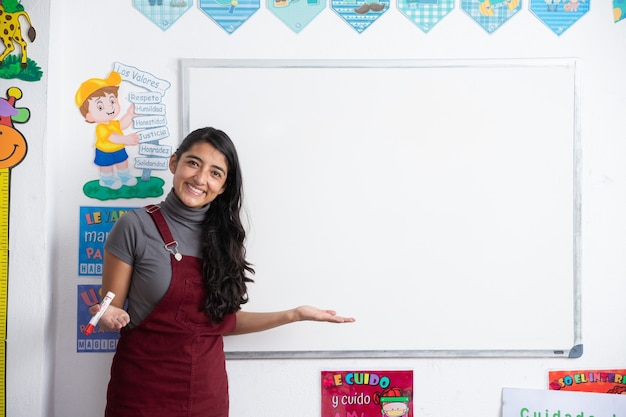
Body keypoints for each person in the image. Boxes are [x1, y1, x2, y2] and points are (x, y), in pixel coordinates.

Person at [89, 126, 354, 417]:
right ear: (174, 163)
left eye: (216, 173)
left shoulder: (224, 240)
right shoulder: (134, 226)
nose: (201, 179)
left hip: (206, 395)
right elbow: (107, 309)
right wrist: (107, 314)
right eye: (193, 163)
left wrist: (294, 314)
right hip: (141, 394)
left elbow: (219, 323)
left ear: (224, 186)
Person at [75, 71, 139, 190]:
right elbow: (112, 137)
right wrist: (126, 139)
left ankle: (124, 176)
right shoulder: (101, 128)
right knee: (106, 166)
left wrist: (130, 114)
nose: (110, 107)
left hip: (119, 149)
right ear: (90, 116)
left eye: (112, 101)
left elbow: (122, 124)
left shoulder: (114, 123)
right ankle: (107, 180)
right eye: (100, 106)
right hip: (105, 151)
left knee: (123, 163)